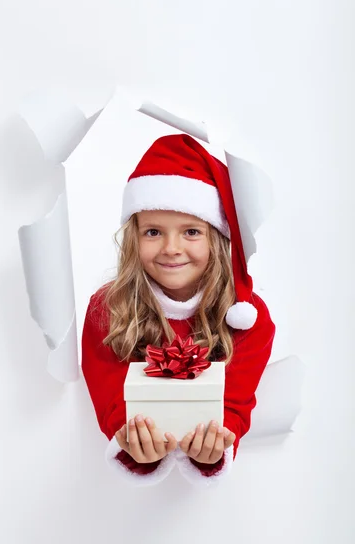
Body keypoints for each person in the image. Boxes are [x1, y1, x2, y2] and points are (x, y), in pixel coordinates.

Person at [81, 133, 275, 487]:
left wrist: (217, 443)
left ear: (216, 237)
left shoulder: (247, 316)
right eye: (153, 231)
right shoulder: (107, 309)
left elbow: (234, 403)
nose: (171, 248)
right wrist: (132, 441)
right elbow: (110, 397)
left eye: (190, 232)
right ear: (133, 237)